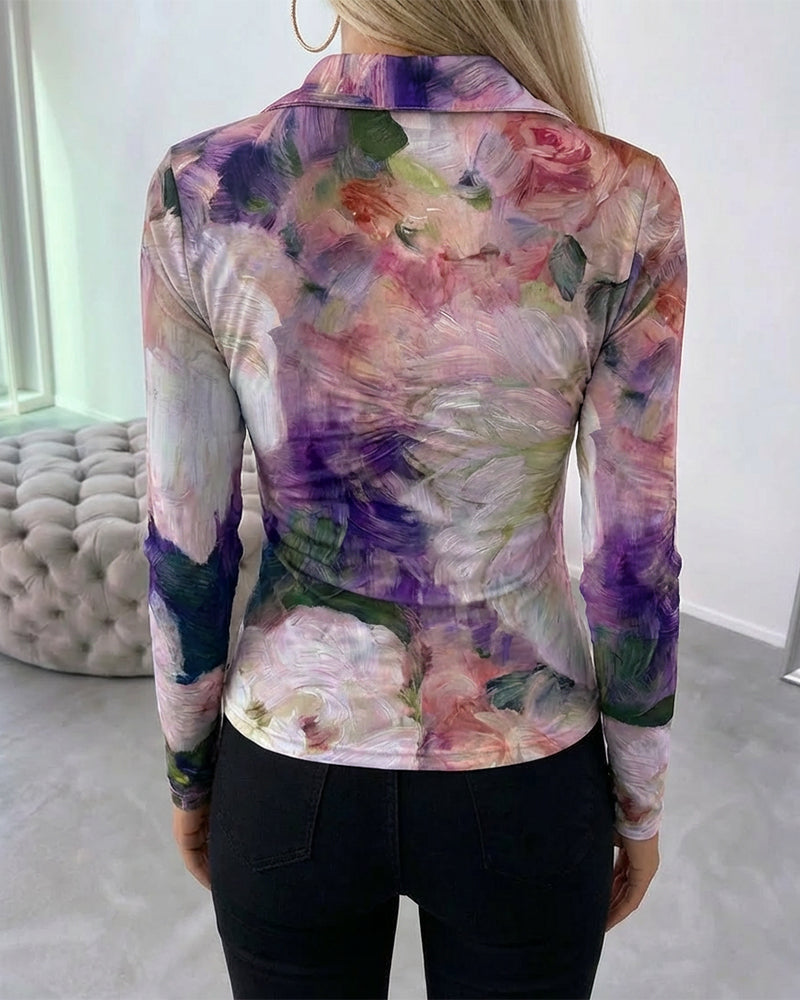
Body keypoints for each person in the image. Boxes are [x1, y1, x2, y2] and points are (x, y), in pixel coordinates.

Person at [140, 0, 687, 996]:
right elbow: (631, 556)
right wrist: (639, 797)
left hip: (289, 765)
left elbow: (186, 539)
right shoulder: (625, 196)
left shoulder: (203, 186)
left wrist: (189, 767)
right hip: (524, 771)